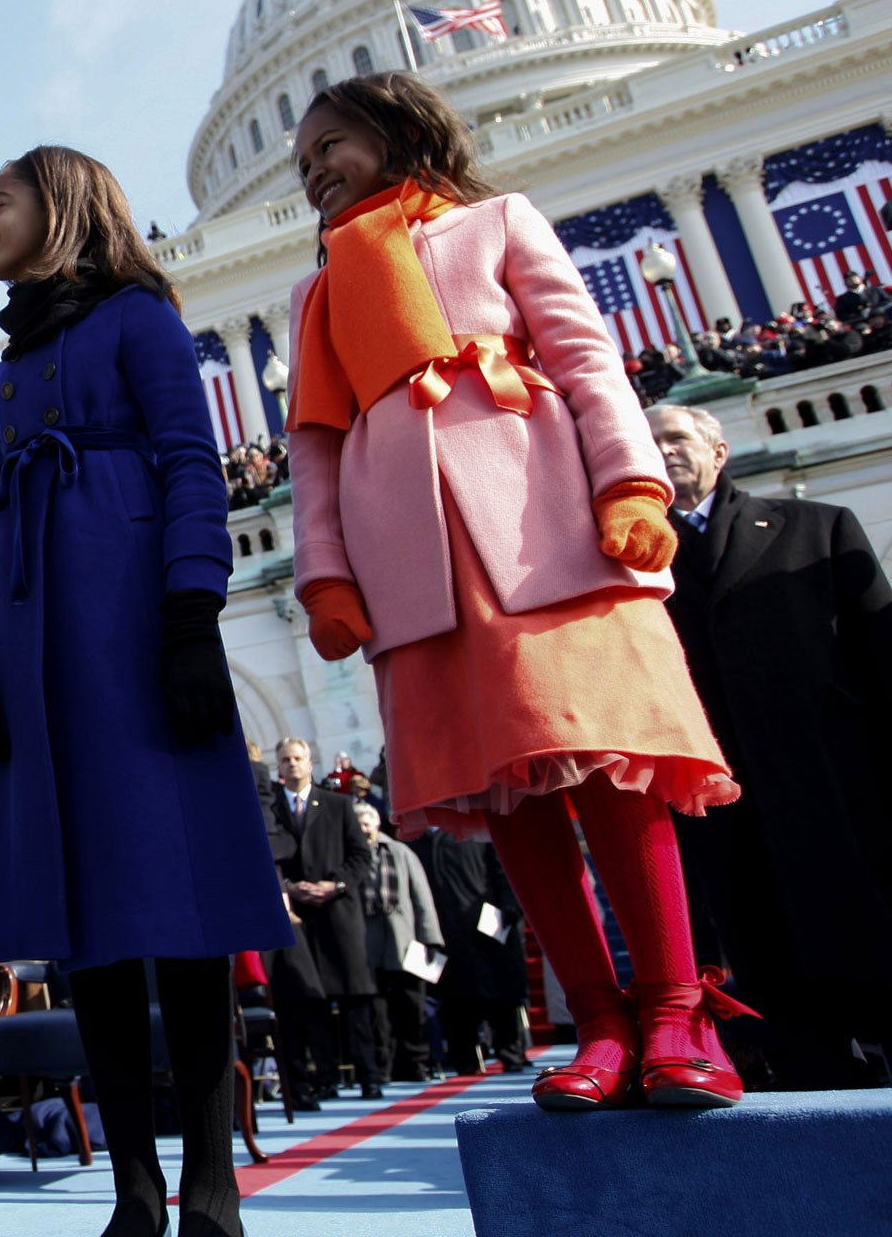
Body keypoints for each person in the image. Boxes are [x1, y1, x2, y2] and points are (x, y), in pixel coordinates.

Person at [284, 72, 741, 1112]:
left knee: (612, 773)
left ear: (397, 132)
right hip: (417, 570)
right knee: (509, 797)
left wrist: (628, 481)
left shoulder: (496, 222)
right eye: (302, 160)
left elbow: (584, 358)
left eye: (331, 146)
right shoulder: (317, 291)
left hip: (541, 531)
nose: (313, 170)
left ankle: (675, 1010)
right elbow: (312, 449)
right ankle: (599, 1020)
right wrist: (325, 574)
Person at [0, 145, 292, 1237]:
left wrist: (191, 608)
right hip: (41, 654)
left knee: (179, 908)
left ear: (59, 207)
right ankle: (132, 1183)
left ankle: (208, 1179)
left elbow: (191, 460)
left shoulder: (140, 319)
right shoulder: (4, 376)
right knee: (83, 919)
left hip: (136, 634)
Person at [647, 403, 892, 1086]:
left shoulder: (817, 527)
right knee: (768, 961)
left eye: (675, 438)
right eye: (648, 443)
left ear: (718, 450)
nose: (662, 451)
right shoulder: (633, 568)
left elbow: (880, 657)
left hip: (835, 787)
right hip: (723, 803)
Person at [265, 737, 377, 1106]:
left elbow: (361, 856)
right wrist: (289, 886)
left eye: (298, 758)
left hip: (338, 912)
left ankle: (368, 1076)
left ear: (310, 763)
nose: (292, 764)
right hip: (298, 917)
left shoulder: (338, 805)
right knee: (308, 1001)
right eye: (285, 760)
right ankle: (323, 1077)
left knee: (353, 999)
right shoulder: (271, 810)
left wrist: (336, 884)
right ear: (277, 767)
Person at [412, 828, 529, 1076]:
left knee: (501, 996)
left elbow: (503, 870)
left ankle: (511, 1052)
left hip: (487, 927)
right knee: (456, 1001)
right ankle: (464, 1058)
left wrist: (509, 904)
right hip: (445, 934)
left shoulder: (476, 831)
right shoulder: (417, 839)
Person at [353, 801, 443, 1083]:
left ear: (377, 823)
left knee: (411, 1006)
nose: (364, 828)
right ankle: (384, 1068)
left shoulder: (400, 852)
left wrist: (430, 937)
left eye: (367, 822)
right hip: (367, 944)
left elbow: (421, 896)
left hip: (403, 941)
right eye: (358, 823)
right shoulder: (350, 857)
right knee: (377, 1013)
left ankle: (416, 1064)